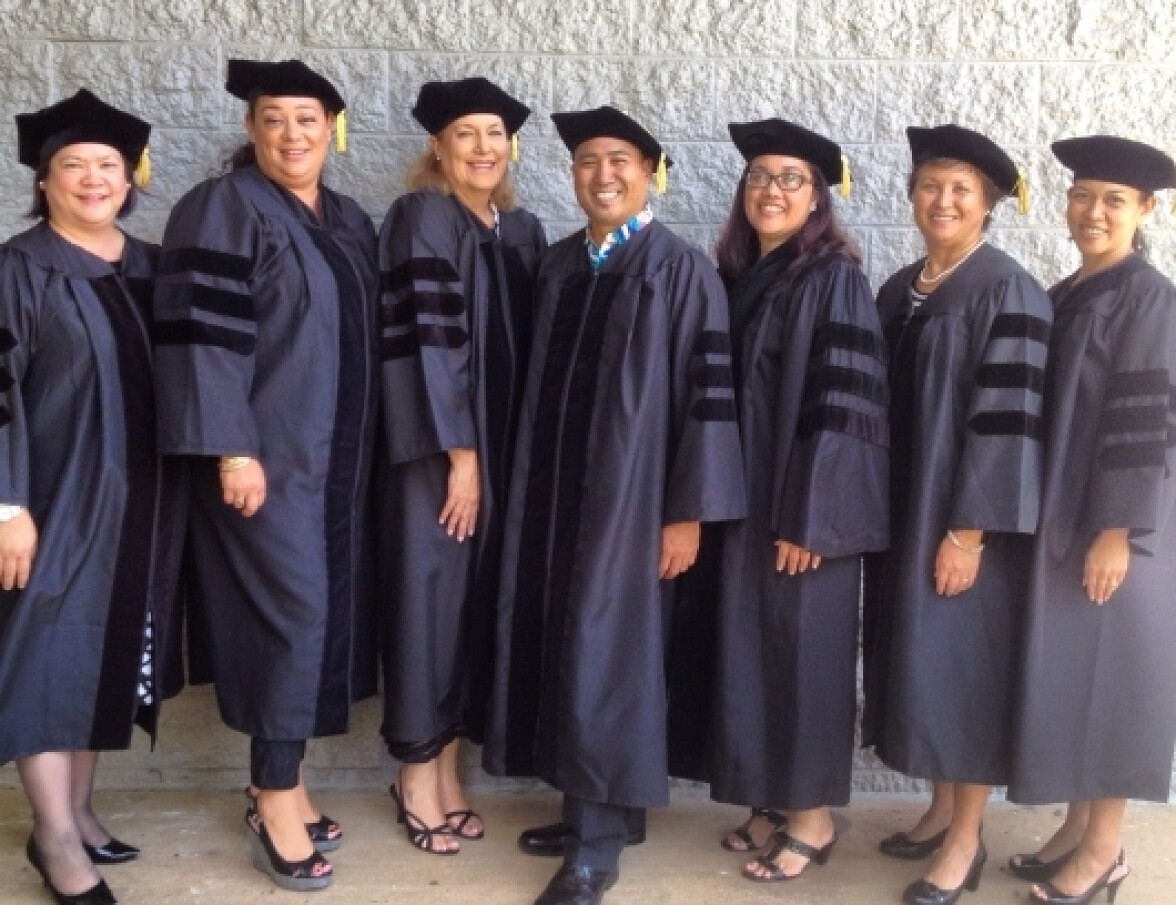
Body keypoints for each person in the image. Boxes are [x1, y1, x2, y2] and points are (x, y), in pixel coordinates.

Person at [481, 105, 746, 905]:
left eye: (620, 160)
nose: (603, 174)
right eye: (589, 161)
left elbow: (708, 401)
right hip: (554, 500)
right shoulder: (562, 264)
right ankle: (602, 811)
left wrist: (688, 513)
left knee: (609, 655)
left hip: (632, 506)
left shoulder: (680, 269)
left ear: (649, 174)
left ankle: (595, 849)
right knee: (569, 645)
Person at [152, 59, 379, 892]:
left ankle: (283, 779)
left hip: (334, 465)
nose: (291, 134)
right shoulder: (222, 205)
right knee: (290, 620)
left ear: (331, 130)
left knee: (317, 619)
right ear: (250, 129)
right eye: (273, 118)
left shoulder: (347, 218)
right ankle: (275, 799)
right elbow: (203, 333)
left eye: (307, 118)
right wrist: (232, 448)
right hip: (265, 464)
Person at [861, 124, 1052, 905]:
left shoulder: (1008, 289)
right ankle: (942, 810)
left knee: (964, 672)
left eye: (961, 190)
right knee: (928, 663)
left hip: (964, 523)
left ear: (989, 205)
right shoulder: (900, 287)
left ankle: (967, 841)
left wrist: (969, 532)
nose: (943, 200)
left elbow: (1010, 424)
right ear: (912, 195)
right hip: (909, 513)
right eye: (931, 186)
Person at [0, 89, 183, 905]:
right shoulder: (17, 269)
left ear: (131, 176)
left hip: (144, 503)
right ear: (43, 181)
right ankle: (54, 838)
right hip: (56, 501)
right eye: (71, 165)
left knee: (105, 654)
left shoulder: (153, 266)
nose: (92, 178)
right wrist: (7, 506)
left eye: (108, 164)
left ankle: (77, 809)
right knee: (45, 659)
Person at [707, 119, 889, 882]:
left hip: (804, 511)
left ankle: (813, 817)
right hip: (750, 505)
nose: (772, 190)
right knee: (755, 653)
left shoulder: (833, 277)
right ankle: (771, 798)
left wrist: (815, 518)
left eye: (791, 179)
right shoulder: (744, 274)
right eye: (759, 177)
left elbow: (845, 408)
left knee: (802, 657)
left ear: (818, 197)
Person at [1005, 136, 1176, 905]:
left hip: (1118, 524)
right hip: (1070, 511)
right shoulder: (1070, 288)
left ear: (1146, 210)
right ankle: (1077, 826)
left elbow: (1147, 422)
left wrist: (1116, 530)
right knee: (1078, 671)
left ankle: (1105, 850)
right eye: (1083, 195)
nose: (1093, 211)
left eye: (1114, 199)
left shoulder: (1149, 297)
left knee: (1113, 682)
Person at [377, 76, 545, 855]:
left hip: (497, 458)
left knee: (466, 612)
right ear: (437, 147)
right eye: (465, 134)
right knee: (429, 605)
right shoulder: (422, 217)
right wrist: (463, 459)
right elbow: (430, 342)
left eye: (494, 134)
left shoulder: (519, 229)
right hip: (439, 460)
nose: (483, 147)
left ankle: (445, 772)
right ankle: (416, 777)